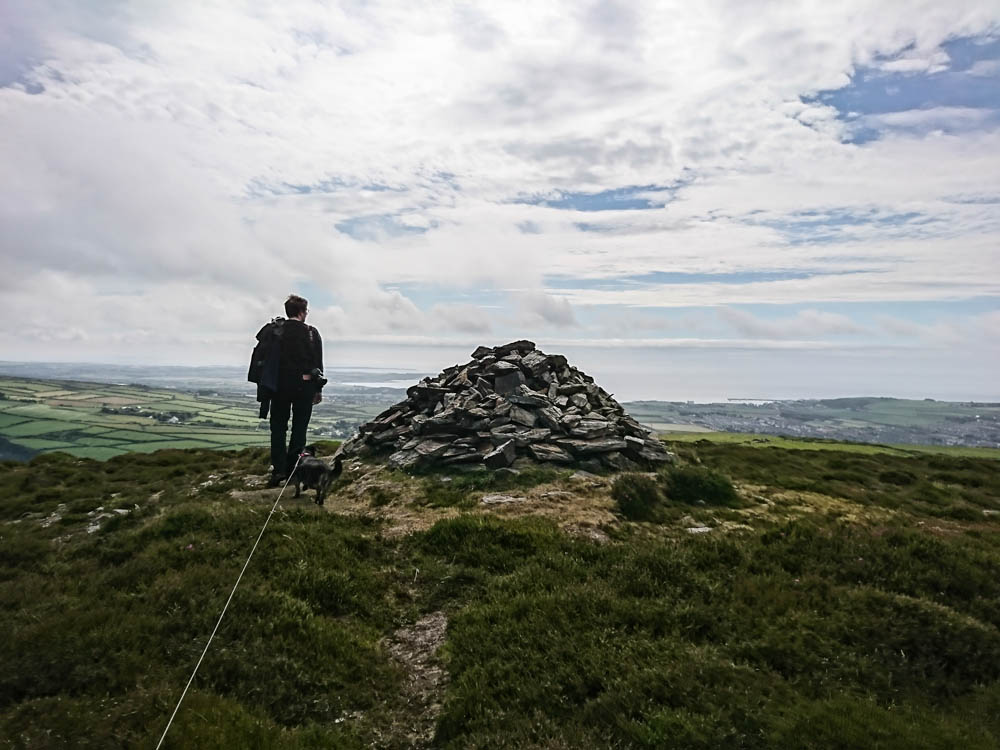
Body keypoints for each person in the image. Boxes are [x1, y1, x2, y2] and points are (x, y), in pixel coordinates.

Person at [268, 294, 324, 486]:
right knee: (299, 429)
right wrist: (318, 390)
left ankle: (278, 471)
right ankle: (294, 471)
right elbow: (318, 363)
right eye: (306, 311)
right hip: (304, 386)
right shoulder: (310, 332)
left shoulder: (276, 330)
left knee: (278, 428)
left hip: (278, 388)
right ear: (301, 312)